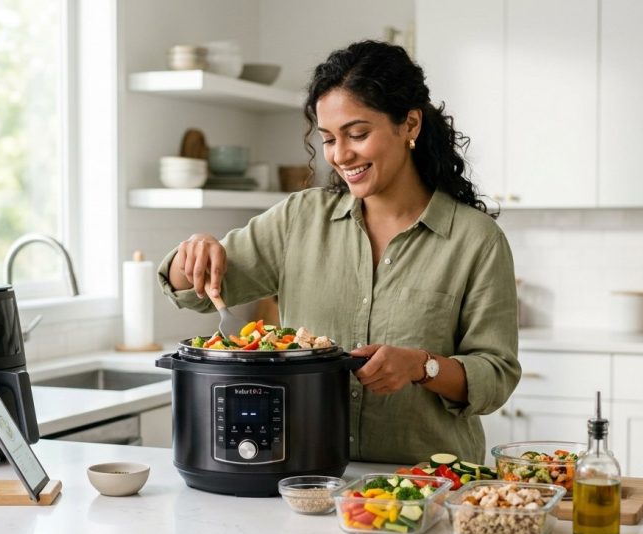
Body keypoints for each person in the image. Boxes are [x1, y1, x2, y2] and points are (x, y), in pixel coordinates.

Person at [157, 40, 520, 465]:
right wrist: (196, 251)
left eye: (358, 134)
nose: (341, 155)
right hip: (309, 478)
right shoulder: (299, 219)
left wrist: (423, 366)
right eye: (329, 139)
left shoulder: (475, 240)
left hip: (425, 484)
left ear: (410, 125)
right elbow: (192, 291)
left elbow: (494, 376)